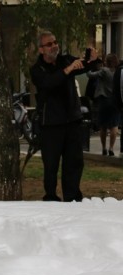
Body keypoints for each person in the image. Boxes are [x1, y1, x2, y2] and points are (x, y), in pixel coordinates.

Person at [30, 31, 96, 202]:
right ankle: (51, 197)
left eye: (55, 42)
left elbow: (82, 65)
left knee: (74, 162)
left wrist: (92, 59)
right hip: (51, 124)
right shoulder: (37, 69)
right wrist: (68, 70)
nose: (54, 46)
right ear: (41, 49)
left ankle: (72, 197)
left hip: (72, 120)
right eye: (49, 44)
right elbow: (48, 83)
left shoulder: (65, 59)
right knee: (51, 165)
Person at [87, 53, 119, 156]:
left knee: (103, 126)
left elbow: (90, 75)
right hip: (115, 101)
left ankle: (104, 148)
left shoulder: (104, 71)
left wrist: (88, 66)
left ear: (107, 61)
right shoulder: (118, 72)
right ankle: (111, 148)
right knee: (114, 125)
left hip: (104, 101)